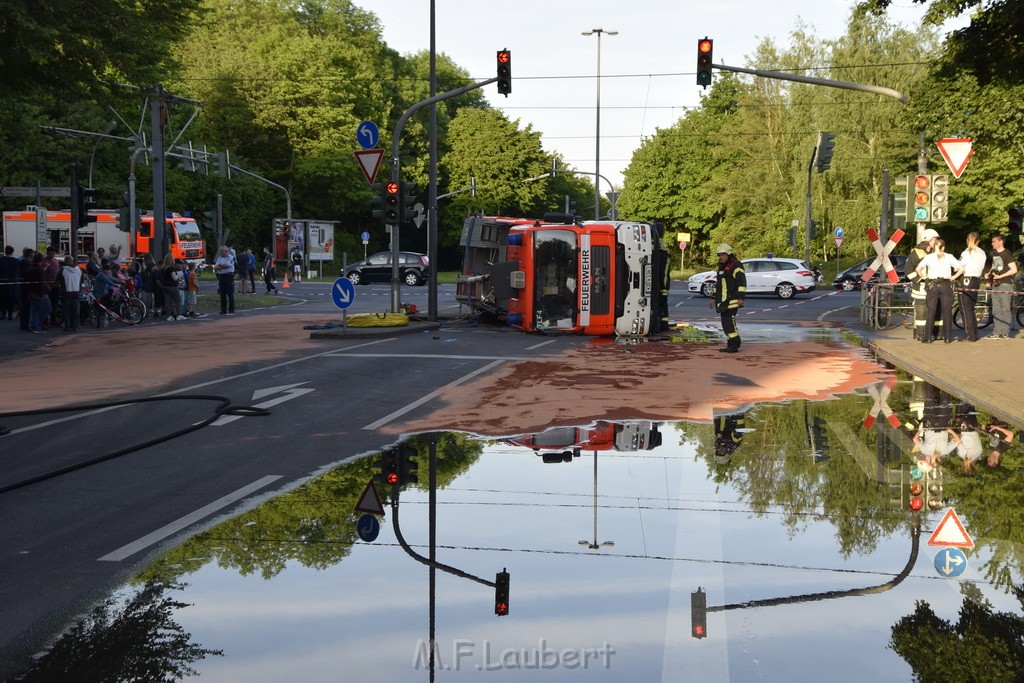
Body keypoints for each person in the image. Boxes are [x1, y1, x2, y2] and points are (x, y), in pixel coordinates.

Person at [915, 239, 963, 343]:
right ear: (944, 247)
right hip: (946, 285)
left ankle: (927, 337)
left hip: (933, 285)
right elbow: (961, 269)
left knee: (930, 311)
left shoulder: (928, 257)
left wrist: (924, 277)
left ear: (934, 247)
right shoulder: (949, 257)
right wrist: (953, 277)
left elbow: (918, 269)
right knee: (947, 312)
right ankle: (947, 337)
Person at [904, 228, 939, 340]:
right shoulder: (916, 253)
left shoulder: (934, 252)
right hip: (920, 288)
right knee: (921, 313)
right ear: (928, 240)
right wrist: (920, 279)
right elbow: (908, 271)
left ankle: (935, 333)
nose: (936, 242)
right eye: (935, 240)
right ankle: (921, 334)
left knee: (934, 310)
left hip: (933, 287)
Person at [710, 243, 745, 353]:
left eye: (722, 255)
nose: (720, 257)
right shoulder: (722, 267)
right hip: (723, 301)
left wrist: (741, 298)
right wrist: (713, 297)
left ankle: (735, 344)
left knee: (729, 322)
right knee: (725, 324)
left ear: (728, 254)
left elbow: (741, 283)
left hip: (732, 299)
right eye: (719, 255)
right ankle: (731, 344)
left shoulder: (737, 265)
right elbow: (719, 285)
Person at [984, 233, 1017, 339]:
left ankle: (1004, 332)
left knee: (1005, 309)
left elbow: (1014, 269)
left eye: (994, 241)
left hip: (1005, 284)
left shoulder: (1007, 254)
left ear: (1000, 242)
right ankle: (996, 331)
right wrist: (988, 275)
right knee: (996, 309)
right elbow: (994, 267)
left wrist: (1000, 276)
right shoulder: (995, 255)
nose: (992, 243)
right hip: (996, 284)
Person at [957, 231, 989, 342]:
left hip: (967, 280)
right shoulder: (982, 253)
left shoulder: (966, 253)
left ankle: (970, 335)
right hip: (977, 281)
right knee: (971, 308)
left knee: (965, 309)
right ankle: (974, 333)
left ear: (967, 240)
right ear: (978, 240)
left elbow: (958, 267)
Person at [25, 253, 51, 333]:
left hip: (32, 292)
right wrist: (42, 294)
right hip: (40, 293)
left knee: (35, 310)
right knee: (47, 308)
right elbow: (41, 283)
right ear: (41, 260)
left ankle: (34, 325)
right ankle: (37, 325)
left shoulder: (29, 269)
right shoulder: (40, 270)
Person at [58, 256, 83, 332]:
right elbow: (81, 281)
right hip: (76, 292)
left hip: (66, 293)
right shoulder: (78, 270)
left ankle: (67, 327)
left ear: (65, 261)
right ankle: (75, 326)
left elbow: (58, 280)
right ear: (72, 261)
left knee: (66, 310)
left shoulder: (62, 270)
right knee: (75, 311)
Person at [213, 245, 236, 314]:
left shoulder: (231, 257)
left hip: (229, 276)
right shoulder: (219, 258)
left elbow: (227, 265)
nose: (221, 253)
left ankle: (231, 310)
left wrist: (220, 266)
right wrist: (221, 266)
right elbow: (215, 267)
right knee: (222, 294)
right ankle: (223, 310)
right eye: (220, 252)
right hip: (221, 276)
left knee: (230, 293)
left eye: (222, 252)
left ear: (226, 251)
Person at [42, 247, 61, 326]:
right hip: (47, 286)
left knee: (55, 304)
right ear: (47, 253)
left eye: (53, 253)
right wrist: (46, 284)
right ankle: (45, 321)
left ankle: (54, 320)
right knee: (47, 305)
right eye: (50, 253)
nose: (52, 255)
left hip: (56, 285)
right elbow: (42, 275)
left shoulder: (55, 261)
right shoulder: (44, 261)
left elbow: (58, 272)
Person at [0, 245, 20, 320]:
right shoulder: (16, 261)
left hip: (2, 282)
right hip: (13, 283)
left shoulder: (1, 260)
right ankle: (10, 315)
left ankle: (3, 314)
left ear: (5, 251)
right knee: (10, 300)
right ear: (12, 252)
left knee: (2, 299)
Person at [159, 255, 181, 321]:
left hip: (165, 286)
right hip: (172, 286)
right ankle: (178, 315)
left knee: (167, 301)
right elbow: (174, 278)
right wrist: (178, 276)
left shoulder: (163, 268)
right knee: (178, 300)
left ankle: (168, 316)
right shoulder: (172, 268)